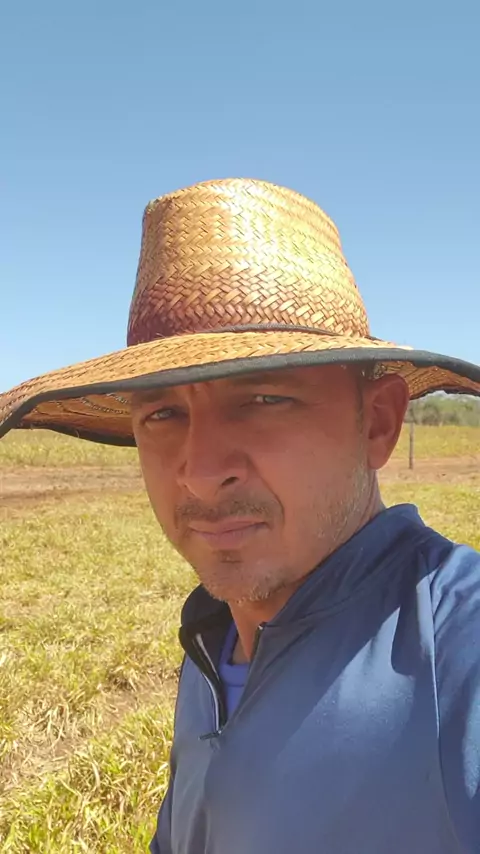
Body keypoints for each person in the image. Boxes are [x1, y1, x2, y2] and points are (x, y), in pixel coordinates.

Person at [1, 178, 480, 854]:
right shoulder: (213, 638)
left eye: (262, 399)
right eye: (162, 413)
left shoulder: (456, 649)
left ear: (376, 424)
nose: (199, 470)